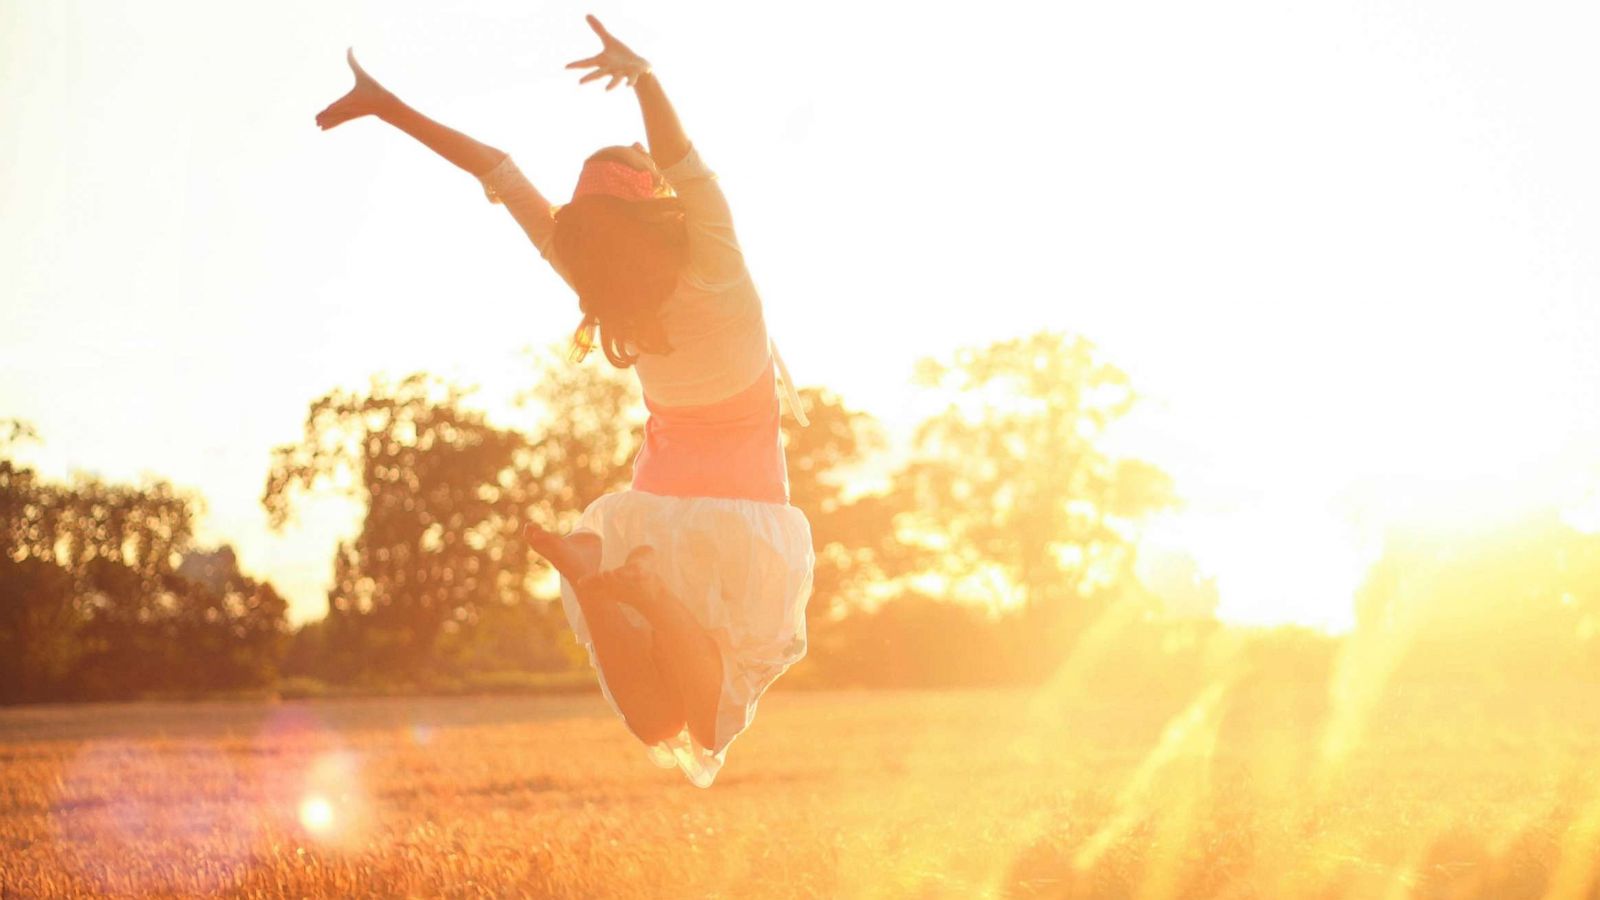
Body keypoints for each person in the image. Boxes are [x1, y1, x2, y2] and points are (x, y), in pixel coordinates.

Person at [315, 15, 813, 787]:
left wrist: (390, 107)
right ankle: (631, 584)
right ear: (658, 200)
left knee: (656, 721)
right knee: (711, 718)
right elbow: (686, 159)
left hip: (655, 506)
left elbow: (500, 171)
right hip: (741, 512)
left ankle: (594, 575)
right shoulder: (715, 261)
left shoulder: (597, 284)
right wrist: (643, 76)